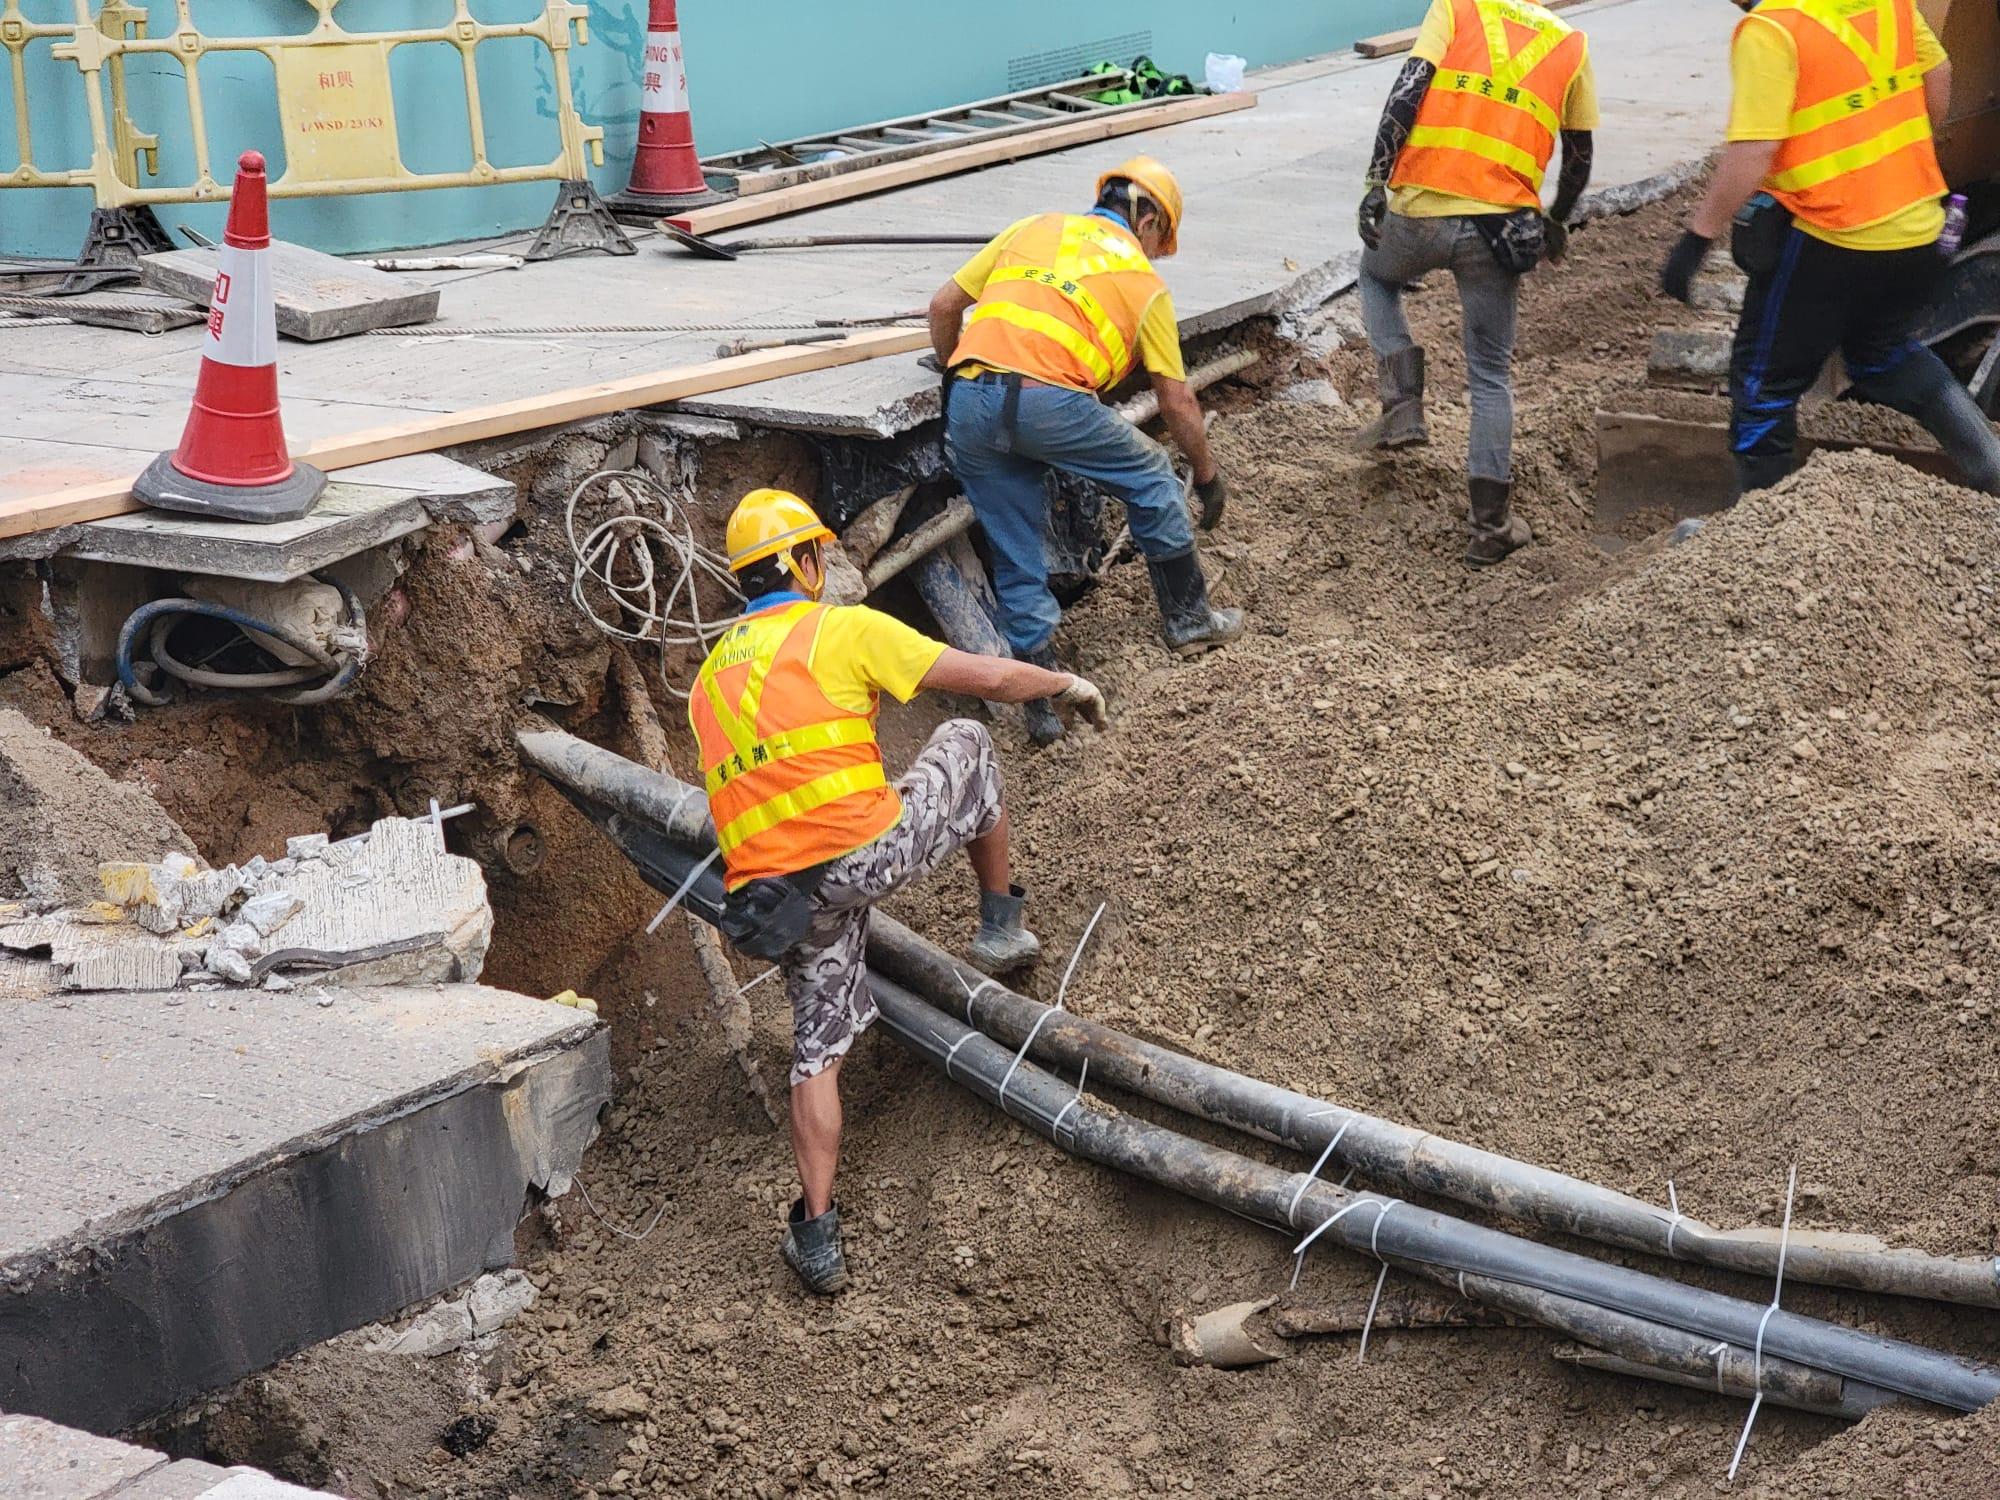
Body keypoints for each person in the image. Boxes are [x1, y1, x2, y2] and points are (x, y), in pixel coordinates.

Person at [689, 488, 1109, 1295]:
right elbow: (981, 675)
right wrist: (1059, 683)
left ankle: (816, 1231)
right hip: (864, 855)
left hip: (782, 898)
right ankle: (999, 926)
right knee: (967, 739)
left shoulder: (709, 677)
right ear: (806, 561)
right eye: (822, 557)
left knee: (816, 1049)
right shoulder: (837, 629)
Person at [928, 156, 1241, 745]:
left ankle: (1042, 708)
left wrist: (956, 378)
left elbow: (944, 308)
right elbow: (1176, 401)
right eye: (1159, 239)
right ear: (1147, 220)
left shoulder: (1034, 227)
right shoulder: (1145, 286)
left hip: (971, 401)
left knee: (1014, 550)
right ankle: (1190, 620)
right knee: (1150, 473)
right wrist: (1206, 474)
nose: (1153, 251)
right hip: (1049, 401)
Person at [1659, 0, 2000, 497]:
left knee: (1763, 385)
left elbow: (1754, 151)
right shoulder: (1889, 5)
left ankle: (1760, 534)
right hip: (1918, 227)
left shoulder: (1773, 30)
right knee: (1881, 355)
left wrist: (1698, 236)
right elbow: (1940, 74)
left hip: (1830, 236)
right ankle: (1990, 466)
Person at [1355, 0, 1598, 566]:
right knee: (1490, 375)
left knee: (1375, 277)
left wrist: (1376, 179)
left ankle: (1403, 405)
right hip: (1498, 229)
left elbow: (1408, 89)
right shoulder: (1572, 44)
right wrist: (1556, 219)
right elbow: (1580, 157)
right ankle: (1490, 528)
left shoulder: (1457, 8)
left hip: (1418, 211)